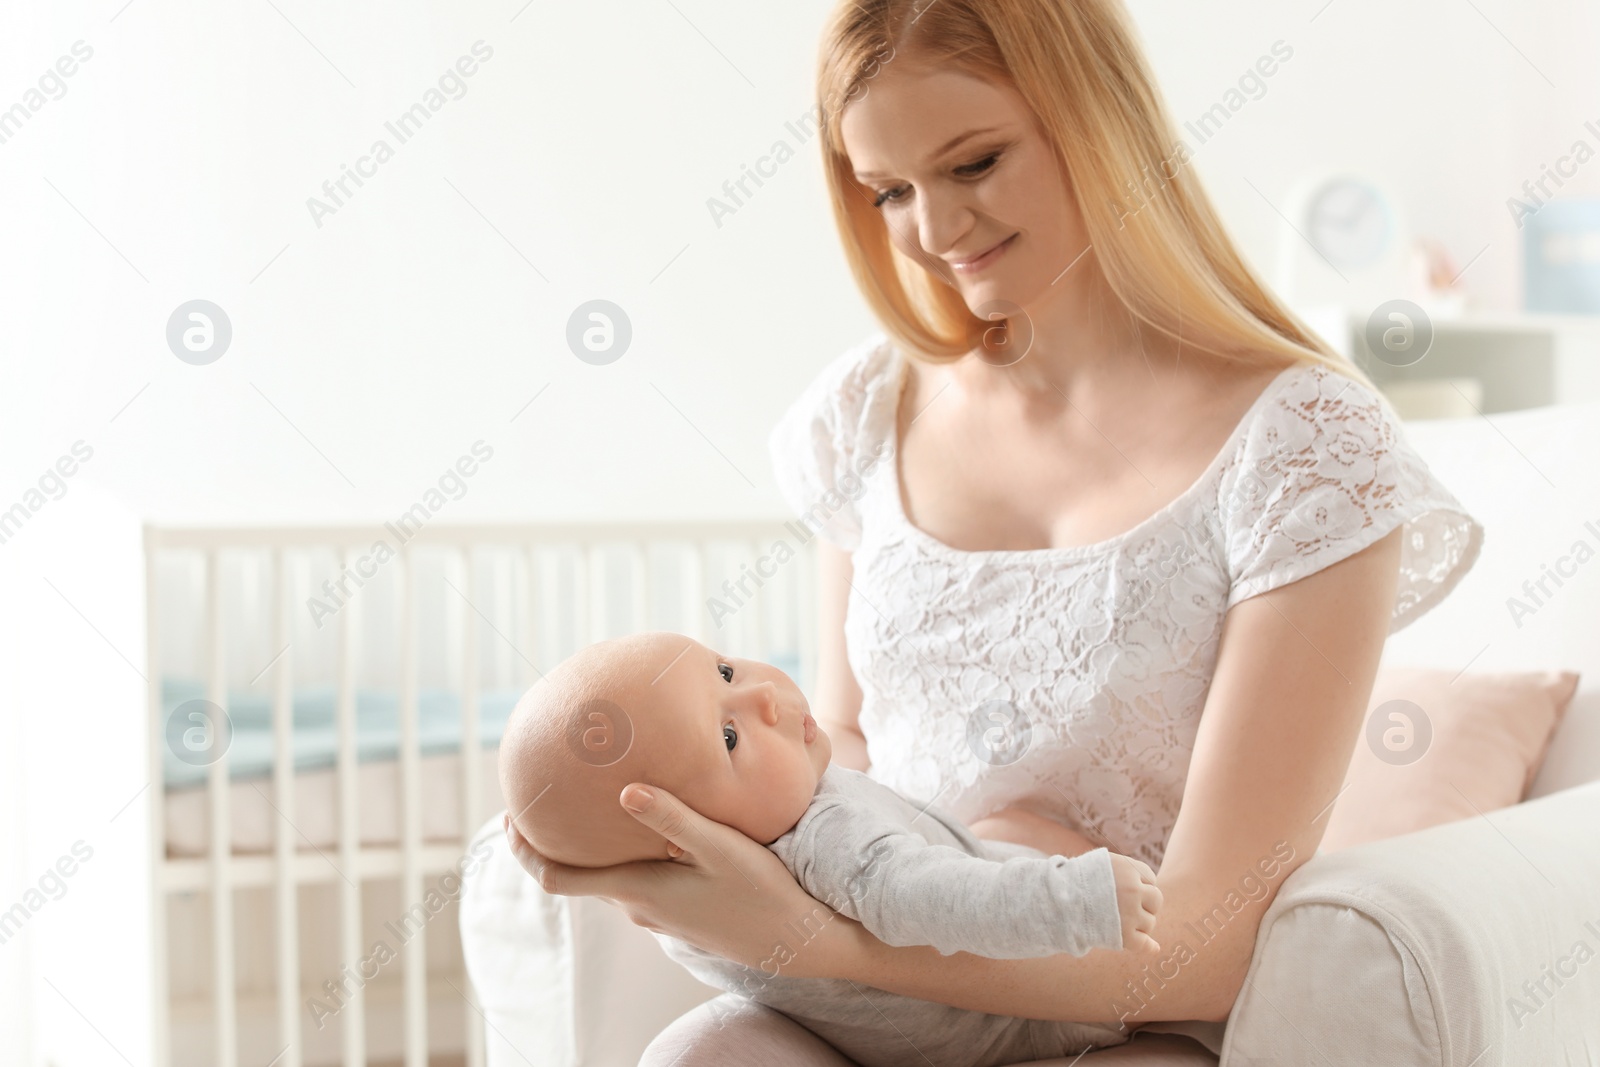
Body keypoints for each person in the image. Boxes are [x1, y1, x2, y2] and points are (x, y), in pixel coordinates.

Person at [503, 0, 1484, 1062]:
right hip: (888, 990)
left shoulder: (1305, 446)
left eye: (973, 163)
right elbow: (843, 750)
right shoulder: (867, 413)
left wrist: (814, 942)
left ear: (1097, 119)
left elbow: (1207, 939)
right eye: (889, 190)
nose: (932, 230)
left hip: (1132, 1010)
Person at [497, 629, 1163, 1065]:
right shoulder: (827, 840)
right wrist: (1080, 899)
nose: (764, 694)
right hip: (1038, 1022)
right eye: (727, 736)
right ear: (682, 836)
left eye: (725, 669)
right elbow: (939, 899)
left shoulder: (697, 907)